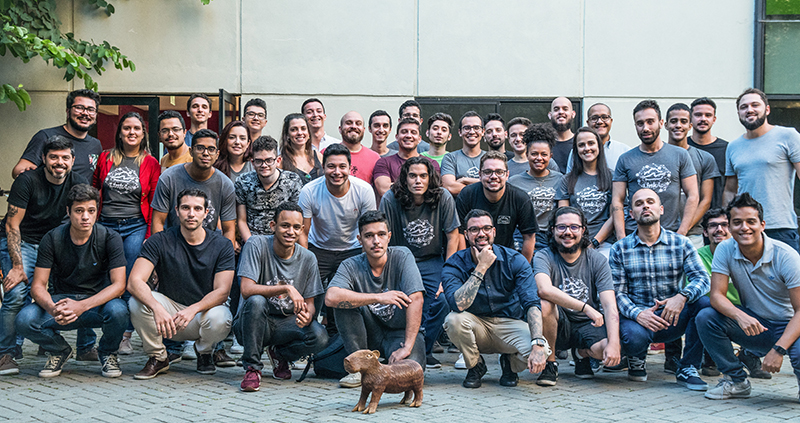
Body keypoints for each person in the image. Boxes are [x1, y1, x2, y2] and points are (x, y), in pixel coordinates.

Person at [15, 185, 128, 378]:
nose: (85, 217)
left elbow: (119, 285)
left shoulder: (110, 238)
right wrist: (52, 309)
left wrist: (81, 306)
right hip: (61, 304)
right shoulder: (52, 238)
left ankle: (108, 353)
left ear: (97, 211)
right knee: (24, 320)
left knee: (120, 311)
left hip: (96, 305)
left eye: (91, 211)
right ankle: (59, 350)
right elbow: (38, 286)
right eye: (79, 211)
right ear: (68, 211)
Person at [696, 193, 800, 401]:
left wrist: (778, 350)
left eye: (751, 222)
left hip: (790, 327)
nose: (744, 227)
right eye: (737, 222)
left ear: (762, 225)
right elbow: (716, 296)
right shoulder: (725, 249)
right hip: (755, 324)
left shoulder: (786, 256)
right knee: (706, 317)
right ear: (730, 226)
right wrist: (739, 316)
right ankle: (737, 382)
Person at [0, 137, 88, 375]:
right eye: (54, 157)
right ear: (43, 159)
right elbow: (12, 225)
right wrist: (17, 266)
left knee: (60, 291)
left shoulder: (78, 183)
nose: (59, 162)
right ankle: (5, 353)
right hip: (23, 241)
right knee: (16, 293)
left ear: (73, 160)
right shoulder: (27, 181)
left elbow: (84, 217)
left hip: (55, 243)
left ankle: (49, 343)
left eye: (65, 157)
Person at [127, 189, 235, 379]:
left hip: (202, 313)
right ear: (177, 210)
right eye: (185, 208)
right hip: (168, 314)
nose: (191, 214)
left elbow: (222, 291)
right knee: (136, 301)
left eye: (197, 208)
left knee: (221, 317)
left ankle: (204, 351)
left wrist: (193, 309)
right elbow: (134, 281)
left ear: (206, 213)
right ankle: (158, 357)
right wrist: (156, 308)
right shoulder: (159, 240)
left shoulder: (222, 245)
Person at [150, 128, 237, 365]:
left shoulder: (224, 184)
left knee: (216, 300)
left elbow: (229, 229)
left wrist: (224, 262)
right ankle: (170, 348)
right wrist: (159, 260)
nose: (205, 153)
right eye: (200, 148)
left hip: (210, 251)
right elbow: (158, 221)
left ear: (217, 153)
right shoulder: (170, 177)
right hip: (174, 246)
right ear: (191, 150)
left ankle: (212, 348)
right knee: (167, 293)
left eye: (211, 149)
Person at [610, 188, 710, 390]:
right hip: (638, 320)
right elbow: (617, 293)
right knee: (633, 337)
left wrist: (682, 296)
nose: (645, 206)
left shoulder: (681, 243)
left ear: (661, 209)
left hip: (672, 317)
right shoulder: (620, 248)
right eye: (639, 204)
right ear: (631, 214)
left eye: (650, 202)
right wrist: (638, 314)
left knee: (705, 305)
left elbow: (703, 278)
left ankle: (688, 367)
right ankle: (636, 357)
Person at [441, 209, 548, 388]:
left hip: (509, 324)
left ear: (494, 232)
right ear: (466, 234)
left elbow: (531, 303)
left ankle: (510, 365)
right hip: (476, 325)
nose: (481, 234)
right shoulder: (455, 263)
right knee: (453, 320)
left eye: (486, 228)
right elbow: (458, 305)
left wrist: (537, 344)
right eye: (474, 229)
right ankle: (476, 366)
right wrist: (481, 267)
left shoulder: (515, 260)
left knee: (543, 349)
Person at [325, 211, 425, 388]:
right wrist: (378, 297)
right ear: (360, 239)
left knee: (411, 371)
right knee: (343, 303)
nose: (376, 241)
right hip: (367, 336)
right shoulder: (350, 264)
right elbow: (331, 297)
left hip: (399, 334)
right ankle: (358, 370)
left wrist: (407, 347)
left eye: (381, 234)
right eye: (369, 236)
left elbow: (416, 298)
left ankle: (378, 369)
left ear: (389, 237)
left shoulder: (402, 256)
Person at [234, 203, 328, 391]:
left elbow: (310, 304)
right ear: (273, 226)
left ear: (302, 230)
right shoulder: (256, 244)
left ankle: (280, 354)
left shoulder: (308, 258)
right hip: (252, 322)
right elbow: (246, 289)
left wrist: (307, 316)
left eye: (296, 227)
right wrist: (286, 288)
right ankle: (252, 368)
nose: (290, 232)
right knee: (256, 301)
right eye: (285, 225)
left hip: (286, 324)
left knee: (320, 337)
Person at [379, 157, 460, 368]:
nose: (418, 181)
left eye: (423, 176)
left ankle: (423, 349)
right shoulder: (390, 198)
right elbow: (382, 234)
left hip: (432, 259)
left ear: (430, 178)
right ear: (404, 178)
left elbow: (453, 236)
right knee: (402, 302)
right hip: (400, 259)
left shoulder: (443, 197)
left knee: (442, 299)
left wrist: (448, 274)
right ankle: (399, 345)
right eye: (412, 176)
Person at [92, 112, 161, 354]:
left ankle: (126, 335)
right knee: (105, 278)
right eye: (127, 128)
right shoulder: (105, 157)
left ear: (143, 134)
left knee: (132, 281)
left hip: (135, 226)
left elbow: (154, 202)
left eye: (136, 128)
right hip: (105, 226)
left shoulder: (151, 163)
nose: (132, 132)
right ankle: (107, 330)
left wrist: (150, 235)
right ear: (120, 133)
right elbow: (94, 189)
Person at [533, 207, 621, 385]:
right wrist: (585, 307)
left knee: (608, 349)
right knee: (545, 304)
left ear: (583, 230)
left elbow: (609, 304)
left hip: (587, 324)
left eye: (574, 227)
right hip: (558, 322)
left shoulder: (597, 259)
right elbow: (544, 290)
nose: (568, 232)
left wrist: (614, 343)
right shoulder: (543, 255)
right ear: (552, 230)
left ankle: (582, 354)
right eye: (561, 227)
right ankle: (550, 364)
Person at [695, 208, 771, 379]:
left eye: (724, 225)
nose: (719, 230)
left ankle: (750, 354)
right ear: (705, 232)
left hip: (749, 307)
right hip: (717, 309)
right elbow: (698, 291)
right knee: (703, 309)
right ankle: (715, 360)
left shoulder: (748, 252)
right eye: (713, 226)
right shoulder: (697, 256)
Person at [723, 88, 800, 252]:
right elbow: (730, 190)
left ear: (767, 109)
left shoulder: (788, 136)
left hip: (780, 227)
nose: (749, 110)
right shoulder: (733, 146)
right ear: (738, 113)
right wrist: (728, 223)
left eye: (755, 105)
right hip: (745, 229)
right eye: (744, 107)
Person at [298, 144, 377, 300]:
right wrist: (307, 263)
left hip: (352, 249)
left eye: (342, 166)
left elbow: (369, 230)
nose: (337, 172)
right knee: (308, 294)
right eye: (331, 166)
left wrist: (364, 262)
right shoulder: (309, 191)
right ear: (323, 167)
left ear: (350, 168)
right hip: (318, 248)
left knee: (347, 297)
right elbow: (303, 232)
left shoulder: (364, 190)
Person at [611, 100, 699, 240]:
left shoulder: (680, 155)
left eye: (650, 122)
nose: (645, 128)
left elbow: (693, 195)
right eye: (640, 123)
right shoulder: (625, 159)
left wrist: (681, 233)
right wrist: (621, 236)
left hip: (671, 234)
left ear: (661, 123)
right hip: (635, 235)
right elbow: (617, 200)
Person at [456, 151, 537, 262]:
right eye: (488, 172)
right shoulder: (467, 194)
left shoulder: (520, 198)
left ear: (507, 175)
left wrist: (522, 267)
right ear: (480, 175)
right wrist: (463, 263)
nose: (494, 176)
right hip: (472, 257)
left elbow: (529, 237)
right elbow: (460, 233)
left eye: (499, 172)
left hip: (506, 258)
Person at [12, 89, 102, 181]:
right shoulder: (46, 136)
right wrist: (29, 174)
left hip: (83, 191)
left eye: (91, 110)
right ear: (68, 111)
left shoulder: (96, 145)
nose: (85, 113)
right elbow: (19, 170)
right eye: (79, 107)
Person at [665, 103, 720, 248]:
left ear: (690, 126)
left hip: (693, 234)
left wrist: (683, 230)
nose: (678, 125)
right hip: (660, 233)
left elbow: (705, 201)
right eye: (673, 121)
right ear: (665, 125)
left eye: (683, 121)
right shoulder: (657, 156)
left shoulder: (705, 158)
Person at [556, 127, 615, 257]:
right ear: (576, 150)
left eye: (591, 143)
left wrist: (595, 242)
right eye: (581, 145)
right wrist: (578, 241)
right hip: (574, 241)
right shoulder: (566, 180)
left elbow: (614, 215)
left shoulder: (612, 177)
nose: (587, 148)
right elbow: (563, 216)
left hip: (604, 243)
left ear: (599, 146)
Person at [508, 123, 563, 252]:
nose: (539, 158)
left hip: (550, 235)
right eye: (534, 154)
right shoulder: (513, 182)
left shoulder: (560, 179)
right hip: (522, 234)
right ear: (527, 155)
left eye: (544, 154)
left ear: (550, 156)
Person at [236, 136, 302, 241]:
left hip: (283, 240)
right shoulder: (243, 182)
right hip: (251, 240)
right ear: (253, 163)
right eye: (259, 161)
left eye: (269, 160)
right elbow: (241, 220)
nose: (264, 165)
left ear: (278, 160)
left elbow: (295, 219)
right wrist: (251, 244)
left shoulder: (292, 181)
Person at [373, 118, 441, 199]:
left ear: (419, 139)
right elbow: (384, 190)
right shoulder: (383, 163)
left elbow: (433, 191)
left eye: (413, 132)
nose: (408, 136)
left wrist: (395, 185)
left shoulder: (431, 164)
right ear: (397, 137)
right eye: (404, 132)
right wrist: (418, 188)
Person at [687, 97, 728, 210]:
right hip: (686, 214)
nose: (703, 119)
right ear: (690, 118)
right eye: (698, 115)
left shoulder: (727, 149)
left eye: (708, 115)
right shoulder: (682, 148)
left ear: (714, 119)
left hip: (717, 216)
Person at [565, 103, 630, 173]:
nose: (599, 122)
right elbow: (570, 178)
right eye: (594, 118)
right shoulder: (577, 152)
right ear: (588, 123)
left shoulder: (624, 151)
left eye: (604, 117)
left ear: (611, 121)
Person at [441, 111, 487, 197]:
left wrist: (464, 180)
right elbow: (450, 187)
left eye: (476, 128)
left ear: (483, 131)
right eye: (467, 128)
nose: (472, 132)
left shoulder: (490, 158)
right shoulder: (450, 158)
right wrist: (483, 186)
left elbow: (498, 184)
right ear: (460, 132)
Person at [280, 113, 323, 186]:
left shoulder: (319, 156)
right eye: (294, 129)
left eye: (303, 128)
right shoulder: (281, 162)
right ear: (287, 135)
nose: (300, 133)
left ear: (308, 133)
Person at [338, 111, 380, 183]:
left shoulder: (375, 158)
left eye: (358, 123)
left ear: (364, 130)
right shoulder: (326, 154)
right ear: (340, 129)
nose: (354, 126)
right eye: (349, 123)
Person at [549, 97, 576, 173]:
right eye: (556, 109)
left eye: (565, 109)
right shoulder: (544, 144)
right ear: (550, 115)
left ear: (573, 114)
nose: (561, 112)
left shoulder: (581, 143)